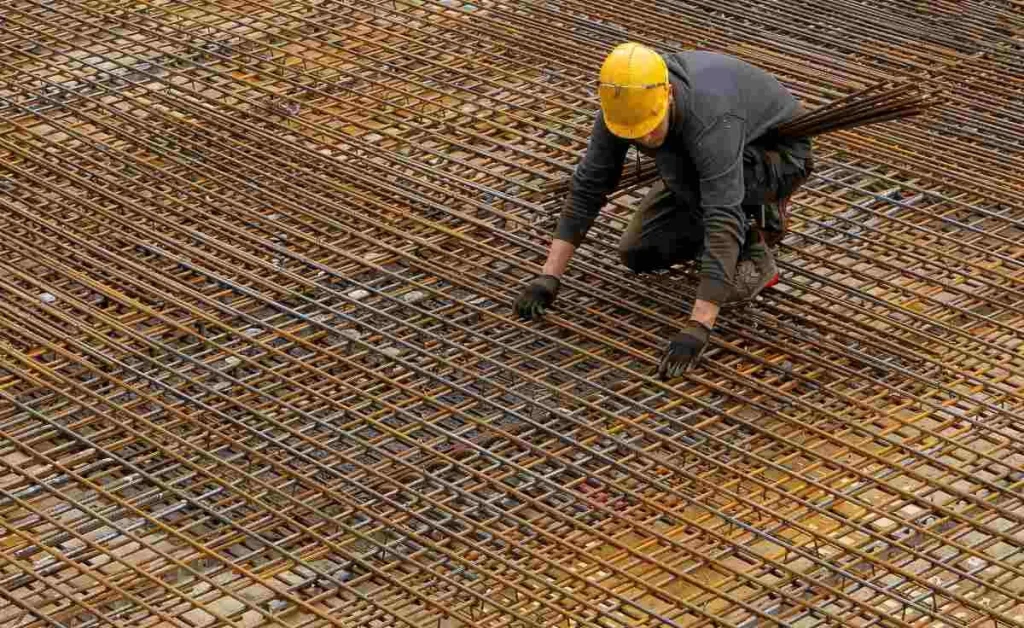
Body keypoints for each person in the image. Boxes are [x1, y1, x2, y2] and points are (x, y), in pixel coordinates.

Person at [513, 42, 814, 380]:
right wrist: (548, 276)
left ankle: (755, 241)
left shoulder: (709, 117)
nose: (645, 136)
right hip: (694, 162)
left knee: (685, 173)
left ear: (668, 94)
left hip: (776, 157)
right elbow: (589, 186)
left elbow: (721, 213)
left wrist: (698, 326)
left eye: (651, 126)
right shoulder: (621, 106)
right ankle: (720, 219)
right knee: (638, 253)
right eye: (636, 133)